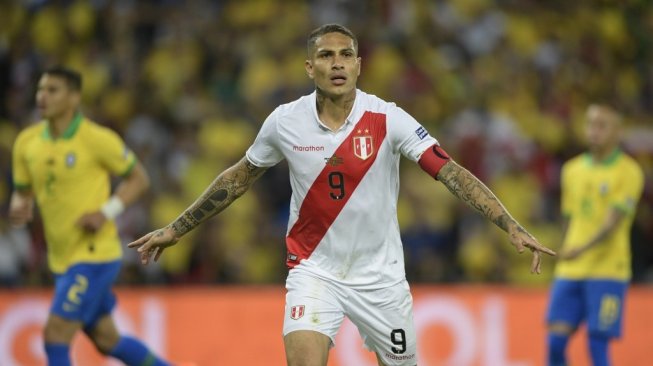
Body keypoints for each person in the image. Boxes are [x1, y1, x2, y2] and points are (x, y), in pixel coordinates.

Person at [129, 24, 556, 366]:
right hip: (314, 271)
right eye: (326, 55)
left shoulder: (387, 118)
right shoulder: (284, 122)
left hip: (381, 278)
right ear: (309, 67)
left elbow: (450, 173)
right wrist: (177, 228)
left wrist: (509, 224)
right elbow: (239, 178)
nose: (337, 64)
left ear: (358, 66)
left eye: (346, 55)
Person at [9, 66, 170, 366]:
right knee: (108, 340)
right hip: (61, 258)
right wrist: (20, 203)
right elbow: (22, 190)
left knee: (55, 335)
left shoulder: (96, 139)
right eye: (40, 89)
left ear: (73, 98)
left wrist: (105, 212)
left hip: (95, 256)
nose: (42, 96)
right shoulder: (26, 143)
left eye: (52, 90)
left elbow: (139, 178)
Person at [546, 105, 644, 366]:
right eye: (590, 124)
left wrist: (580, 248)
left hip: (608, 269)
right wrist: (563, 249)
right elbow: (569, 217)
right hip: (571, 268)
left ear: (617, 132)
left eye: (602, 125)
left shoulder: (629, 171)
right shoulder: (572, 170)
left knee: (596, 344)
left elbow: (612, 222)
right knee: (555, 343)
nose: (594, 131)